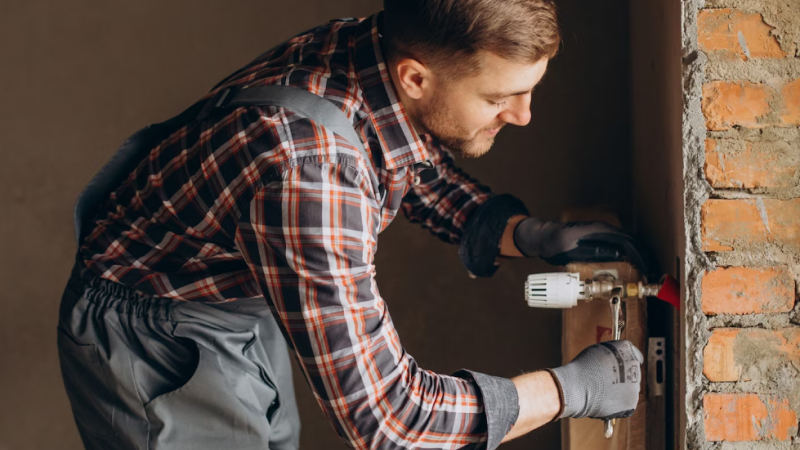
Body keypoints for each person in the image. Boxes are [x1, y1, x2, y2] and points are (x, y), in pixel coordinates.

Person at [58, 1, 646, 449]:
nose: (522, 116)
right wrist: (570, 390)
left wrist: (517, 232)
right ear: (417, 76)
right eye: (500, 98)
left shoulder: (370, 49)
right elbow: (389, 420)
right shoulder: (306, 174)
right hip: (152, 339)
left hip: (235, 300)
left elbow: (398, 151)